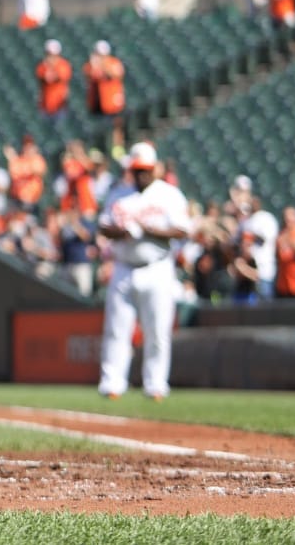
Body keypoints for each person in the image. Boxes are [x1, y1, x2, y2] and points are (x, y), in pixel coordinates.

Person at [97, 143, 191, 401]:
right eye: (136, 170)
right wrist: (125, 232)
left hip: (157, 267)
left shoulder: (169, 195)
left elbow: (183, 230)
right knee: (116, 329)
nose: (141, 175)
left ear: (154, 169)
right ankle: (112, 383)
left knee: (158, 331)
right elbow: (104, 227)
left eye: (145, 170)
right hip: (124, 267)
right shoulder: (118, 194)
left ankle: (156, 385)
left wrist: (147, 230)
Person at [85, 40, 127, 140]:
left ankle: (117, 147)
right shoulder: (92, 64)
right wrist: (95, 65)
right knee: (98, 128)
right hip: (97, 101)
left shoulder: (114, 62)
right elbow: (89, 75)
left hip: (112, 102)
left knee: (116, 126)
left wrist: (102, 65)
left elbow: (116, 75)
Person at [35, 39, 72, 129]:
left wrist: (51, 69)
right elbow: (43, 77)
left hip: (59, 106)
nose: (51, 57)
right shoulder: (42, 66)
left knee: (61, 131)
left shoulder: (63, 65)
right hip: (45, 106)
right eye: (49, 54)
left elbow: (59, 77)